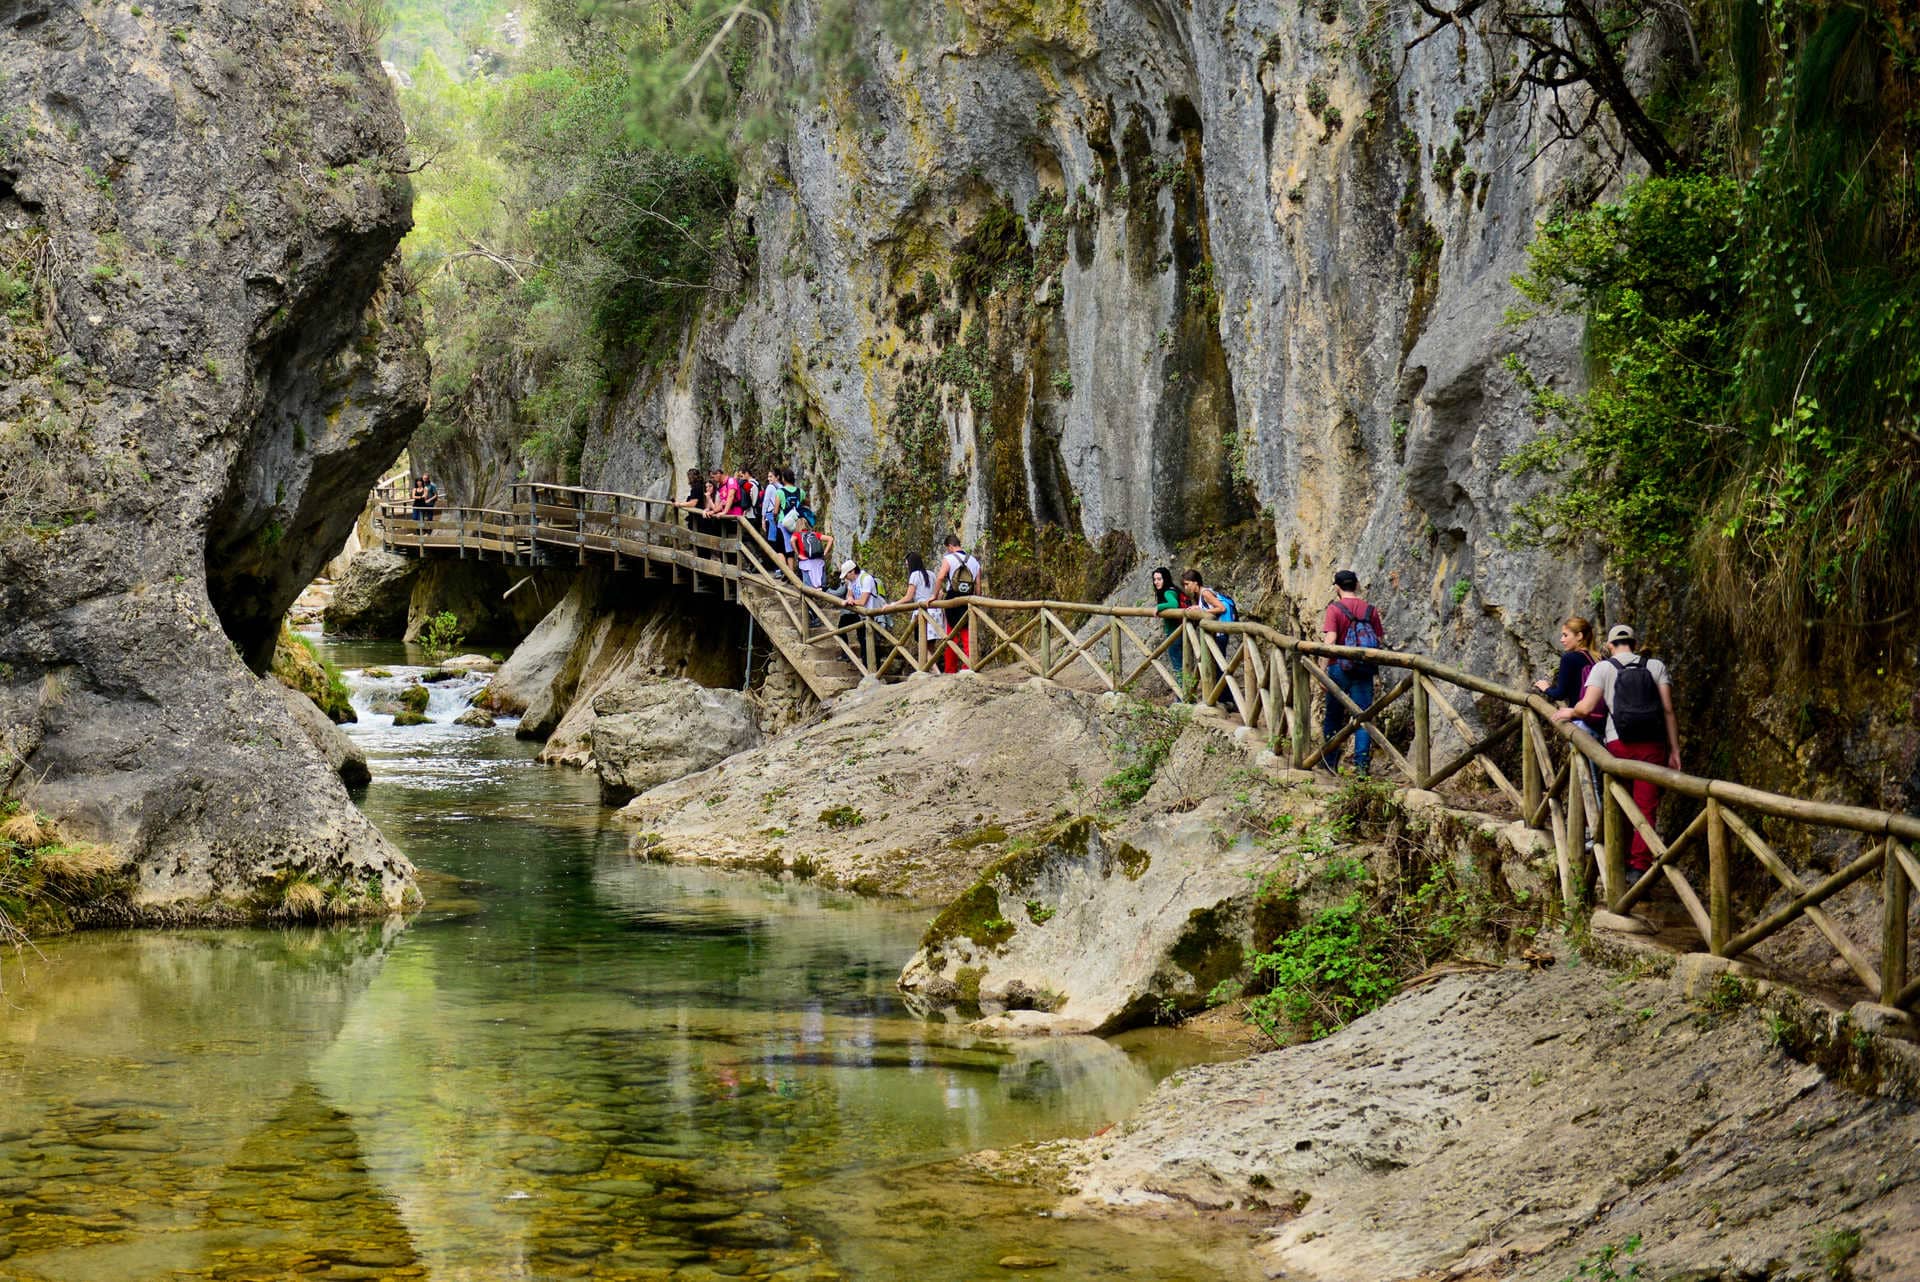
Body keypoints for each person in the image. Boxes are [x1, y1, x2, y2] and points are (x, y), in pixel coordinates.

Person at [1553, 624, 1681, 875]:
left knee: (1618, 801)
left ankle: (1616, 858)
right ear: (1634, 643)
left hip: (1617, 743)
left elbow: (1586, 707)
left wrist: (1570, 711)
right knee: (1646, 806)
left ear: (1610, 646)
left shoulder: (1604, 667)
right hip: (1652, 744)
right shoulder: (1655, 666)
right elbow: (1668, 709)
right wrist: (1674, 749)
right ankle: (1639, 866)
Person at [1534, 615, 1607, 814]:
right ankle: (1600, 832)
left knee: (1589, 780)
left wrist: (1545, 688)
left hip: (1582, 723)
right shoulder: (1598, 658)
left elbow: (1561, 693)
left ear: (1580, 636)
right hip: (1604, 725)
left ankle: (1596, 834)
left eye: (1566, 635)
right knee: (1604, 779)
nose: (1562, 639)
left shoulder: (1570, 659)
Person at [1321, 569, 1385, 776]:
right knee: (1362, 717)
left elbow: (1330, 640)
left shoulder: (1335, 609)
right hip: (1363, 668)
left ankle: (1329, 762)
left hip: (1339, 667)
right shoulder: (1370, 610)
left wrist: (1322, 669)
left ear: (1337, 587)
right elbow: (1379, 640)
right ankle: (1361, 768)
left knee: (1333, 715)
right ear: (1357, 585)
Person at [932, 533, 981, 673]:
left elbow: (941, 577)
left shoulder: (949, 558)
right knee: (967, 633)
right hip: (969, 599)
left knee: (951, 634)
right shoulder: (974, 561)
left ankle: (950, 669)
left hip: (952, 599)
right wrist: (976, 601)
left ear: (950, 546)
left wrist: (934, 596)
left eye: (948, 548)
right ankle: (968, 667)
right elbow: (978, 585)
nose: (948, 551)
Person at [894, 551, 943, 664]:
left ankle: (935, 671)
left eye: (907, 565)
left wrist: (894, 604)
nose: (907, 567)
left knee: (921, 642)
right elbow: (940, 593)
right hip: (935, 611)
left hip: (922, 613)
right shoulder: (931, 574)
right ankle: (929, 669)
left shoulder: (914, 575)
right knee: (930, 644)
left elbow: (908, 597)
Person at [1151, 567, 1184, 683]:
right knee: (1182, 664)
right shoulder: (1174, 589)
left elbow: (1173, 604)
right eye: (1155, 579)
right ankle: (1185, 695)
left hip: (1175, 633)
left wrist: (1158, 607)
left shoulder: (1168, 591)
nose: (1156, 582)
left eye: (1159, 579)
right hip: (1181, 631)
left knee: (1178, 665)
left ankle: (1182, 697)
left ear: (1165, 579)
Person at [788, 513, 832, 589]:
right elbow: (830, 539)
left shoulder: (797, 534)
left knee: (808, 586)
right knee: (821, 585)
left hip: (806, 562)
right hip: (818, 561)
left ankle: (810, 598)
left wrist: (798, 554)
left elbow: (792, 541)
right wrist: (824, 553)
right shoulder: (814, 534)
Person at [837, 559, 878, 631]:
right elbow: (849, 595)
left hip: (870, 614)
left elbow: (862, 602)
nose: (845, 578)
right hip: (859, 613)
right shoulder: (851, 581)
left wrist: (850, 601)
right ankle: (843, 642)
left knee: (865, 638)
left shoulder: (866, 579)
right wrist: (849, 598)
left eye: (846, 576)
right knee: (842, 624)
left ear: (852, 571)